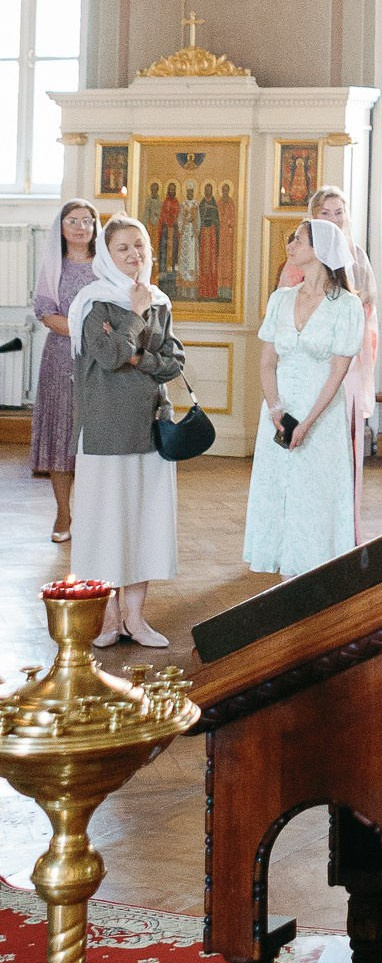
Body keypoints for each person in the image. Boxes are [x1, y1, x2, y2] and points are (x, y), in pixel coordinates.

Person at [70, 215, 185, 650]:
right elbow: (108, 354)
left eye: (139, 245)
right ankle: (108, 620)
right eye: (123, 248)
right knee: (106, 526)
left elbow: (173, 362)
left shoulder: (159, 299)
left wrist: (138, 358)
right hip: (104, 429)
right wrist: (134, 323)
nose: (134, 255)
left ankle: (136, 619)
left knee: (144, 524)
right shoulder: (92, 302)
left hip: (150, 426)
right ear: (106, 254)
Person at [244, 217, 366, 581]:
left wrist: (308, 423)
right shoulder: (280, 300)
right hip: (279, 411)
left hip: (321, 413)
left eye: (298, 240)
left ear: (320, 250)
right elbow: (267, 363)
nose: (290, 246)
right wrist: (276, 409)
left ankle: (316, 572)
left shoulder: (347, 306)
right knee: (278, 489)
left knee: (316, 495)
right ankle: (282, 566)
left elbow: (337, 373)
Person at [31, 200, 97, 542]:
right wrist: (84, 330)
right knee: (61, 436)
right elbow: (45, 312)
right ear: (61, 226)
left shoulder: (105, 264)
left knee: (92, 438)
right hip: (61, 358)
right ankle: (63, 512)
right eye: (74, 220)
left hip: (101, 362)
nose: (81, 227)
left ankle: (90, 512)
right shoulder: (54, 266)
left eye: (88, 220)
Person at [308, 185, 376, 503]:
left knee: (344, 425)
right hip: (313, 354)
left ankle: (343, 503)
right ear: (313, 216)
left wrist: (354, 306)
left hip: (346, 354)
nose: (334, 219)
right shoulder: (304, 253)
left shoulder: (355, 254)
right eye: (326, 213)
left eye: (339, 212)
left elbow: (368, 300)